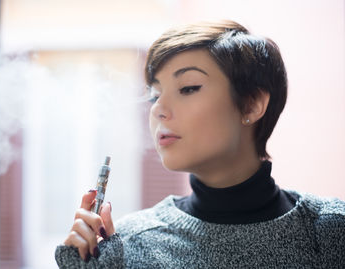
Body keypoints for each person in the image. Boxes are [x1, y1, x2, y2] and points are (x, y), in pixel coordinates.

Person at [55, 20, 345, 268]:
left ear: (252, 104)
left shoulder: (332, 230)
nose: (158, 109)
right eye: (154, 95)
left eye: (188, 88)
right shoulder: (128, 245)